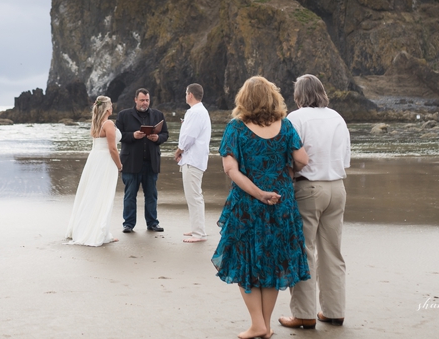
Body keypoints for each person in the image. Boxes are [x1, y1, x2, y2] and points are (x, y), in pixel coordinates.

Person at [212, 76, 310, 339]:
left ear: (243, 99)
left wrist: (259, 193)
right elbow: (302, 159)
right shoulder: (286, 126)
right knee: (273, 262)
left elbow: (230, 170)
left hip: (248, 204)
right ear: (272, 97)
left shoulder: (236, 128)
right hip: (282, 202)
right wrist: (288, 167)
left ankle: (259, 324)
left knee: (246, 262)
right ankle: (264, 325)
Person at [278, 74, 351, 329]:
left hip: (308, 187)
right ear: (321, 93)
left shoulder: (295, 119)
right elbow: (345, 160)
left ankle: (304, 313)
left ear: (298, 96)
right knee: (332, 252)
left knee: (303, 250)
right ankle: (334, 311)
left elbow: (289, 158)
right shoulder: (338, 118)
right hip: (337, 188)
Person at [65, 96, 123, 246]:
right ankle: (98, 232)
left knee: (93, 194)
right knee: (103, 195)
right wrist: (119, 165)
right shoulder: (108, 123)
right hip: (105, 161)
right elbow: (112, 149)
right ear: (108, 108)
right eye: (111, 104)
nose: (113, 107)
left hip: (95, 159)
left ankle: (90, 229)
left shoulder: (96, 123)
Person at [116, 88, 169, 233]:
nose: (145, 103)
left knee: (151, 195)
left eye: (147, 100)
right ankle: (128, 224)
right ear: (135, 100)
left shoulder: (158, 115)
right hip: (131, 162)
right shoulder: (124, 115)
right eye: (142, 100)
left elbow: (165, 134)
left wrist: (158, 138)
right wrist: (133, 135)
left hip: (151, 162)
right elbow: (118, 136)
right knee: (130, 195)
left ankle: (152, 223)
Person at [174, 83, 212, 243]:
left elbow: (189, 137)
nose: (185, 96)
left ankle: (199, 232)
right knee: (194, 195)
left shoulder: (195, 112)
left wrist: (179, 150)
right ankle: (197, 227)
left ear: (190, 94)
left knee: (194, 196)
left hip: (193, 159)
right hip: (195, 158)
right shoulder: (199, 112)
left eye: (186, 93)